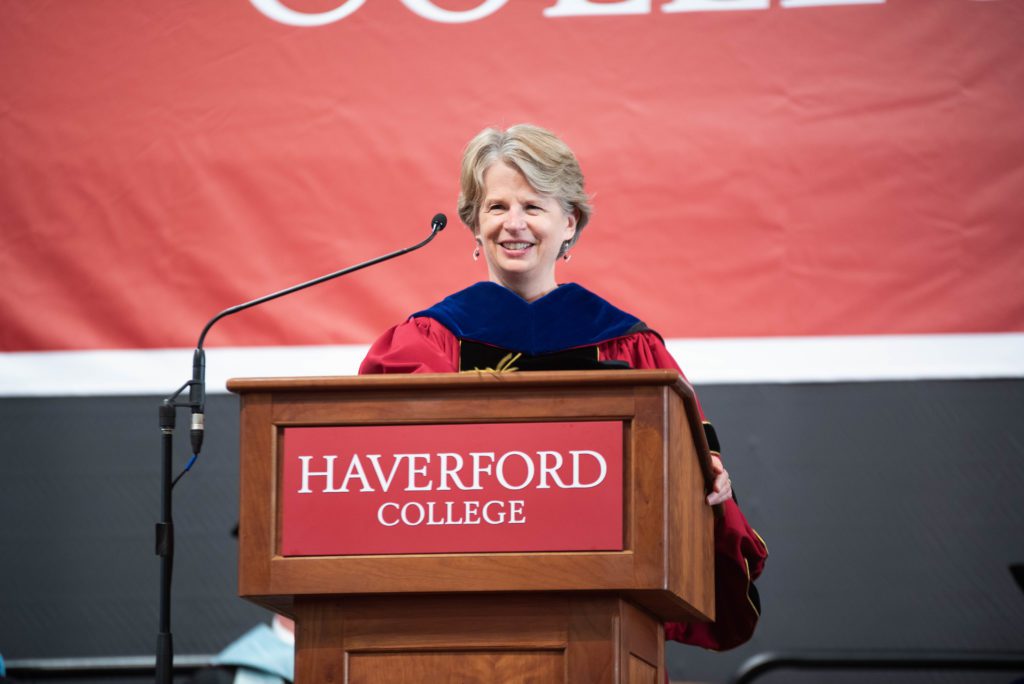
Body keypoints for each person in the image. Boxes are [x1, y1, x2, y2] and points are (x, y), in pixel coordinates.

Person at [360, 123, 767, 650]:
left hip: (601, 616)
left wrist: (706, 488)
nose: (513, 224)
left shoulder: (629, 346)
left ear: (569, 222)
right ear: (474, 224)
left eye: (532, 206)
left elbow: (692, 478)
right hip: (459, 608)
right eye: (496, 207)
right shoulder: (425, 342)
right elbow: (377, 475)